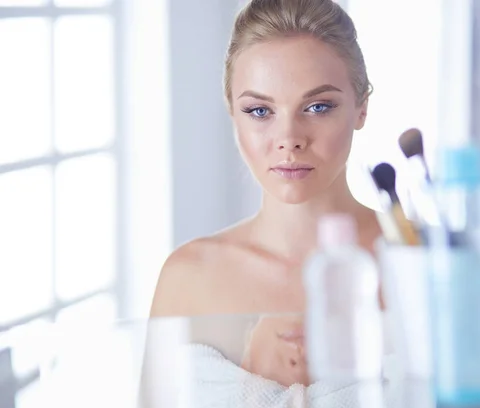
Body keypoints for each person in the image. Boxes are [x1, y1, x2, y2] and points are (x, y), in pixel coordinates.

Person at [150, 0, 380, 317]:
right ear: (233, 113)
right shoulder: (188, 278)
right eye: (260, 111)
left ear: (361, 107)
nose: (289, 140)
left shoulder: (427, 258)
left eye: (317, 107)